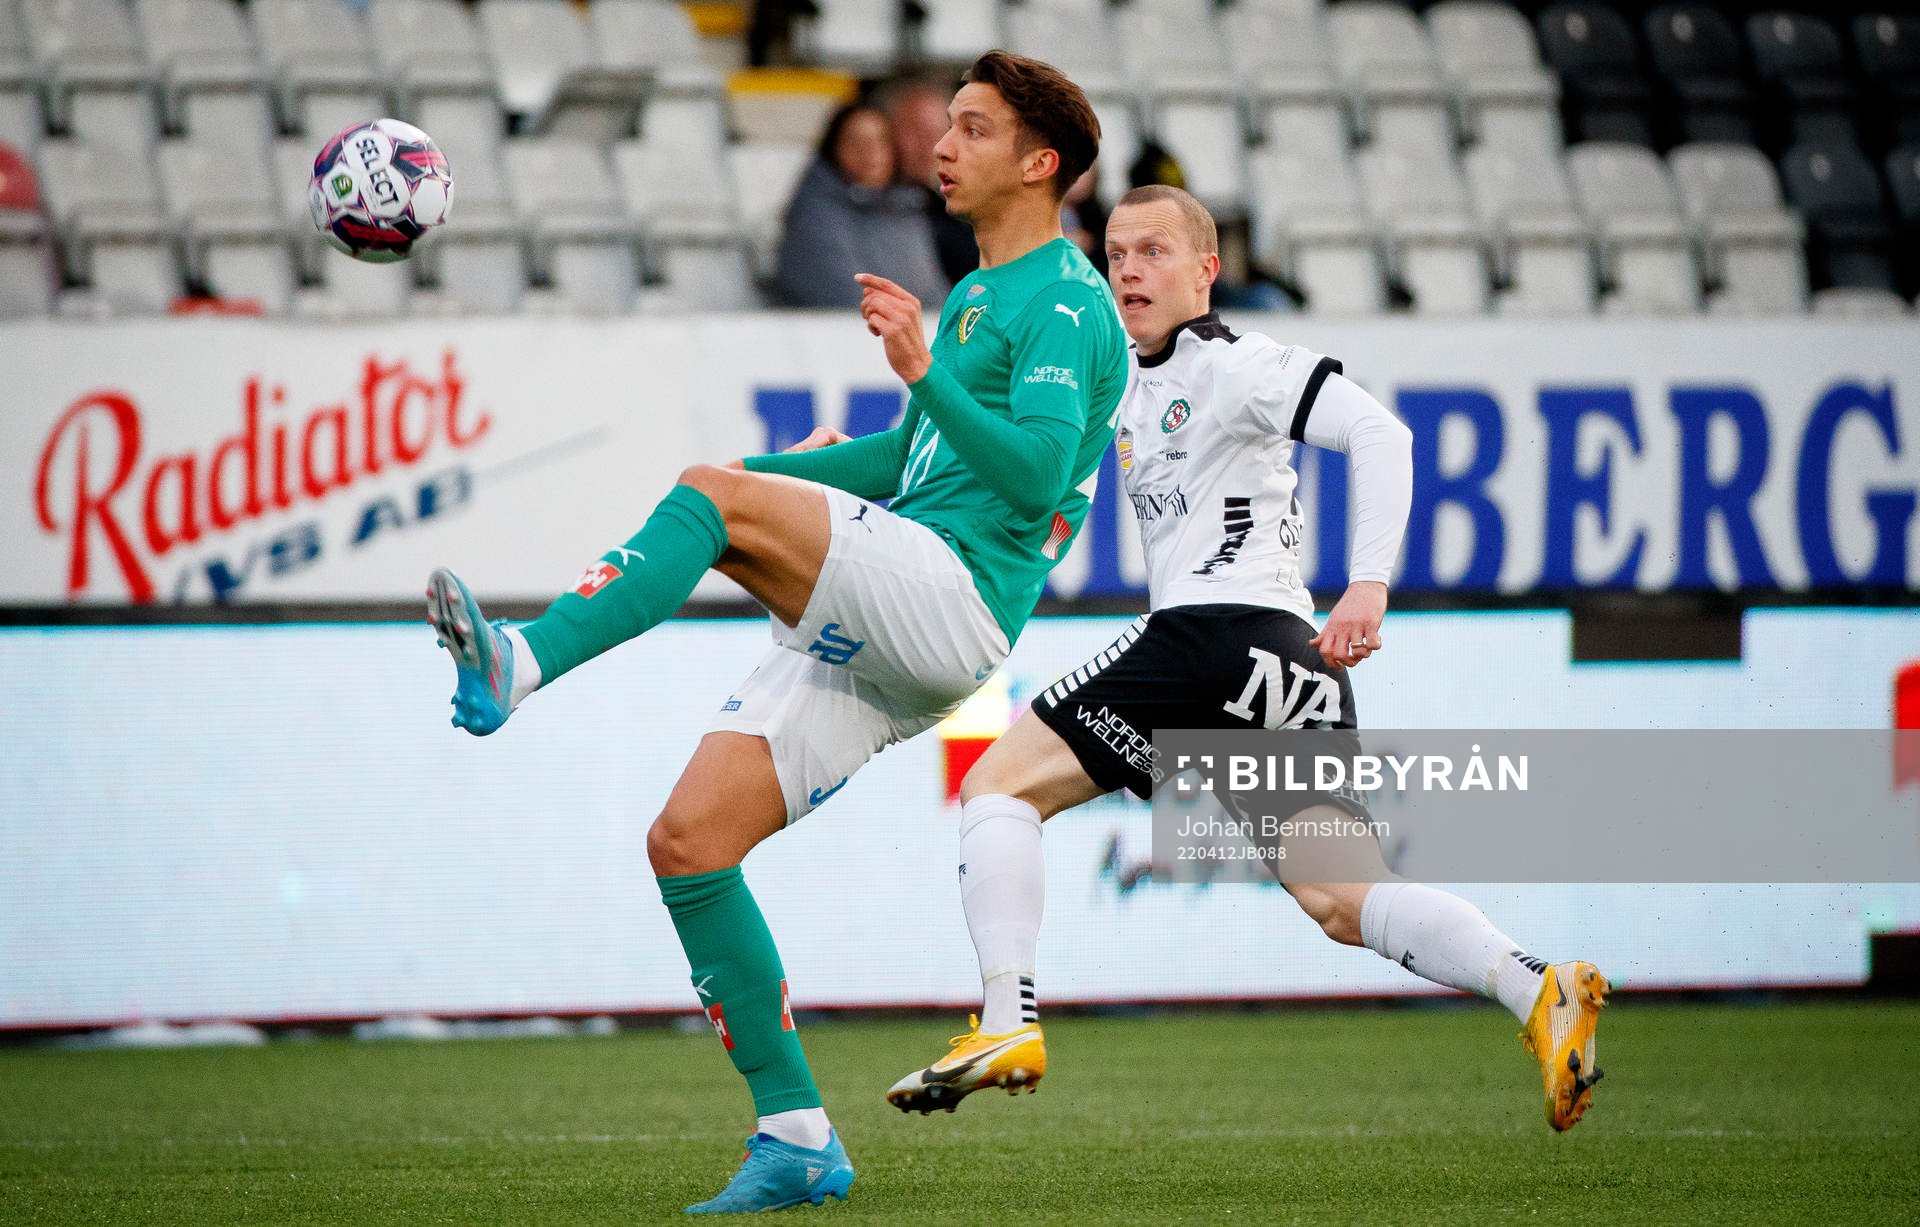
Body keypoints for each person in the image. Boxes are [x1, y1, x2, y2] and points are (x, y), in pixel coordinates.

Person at [424, 51, 1126, 1213]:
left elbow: (1036, 474)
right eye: (948, 123)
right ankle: (796, 1133)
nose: (942, 145)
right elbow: (907, 462)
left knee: (713, 498)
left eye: (973, 128)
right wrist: (766, 476)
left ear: (1039, 163)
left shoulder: (1063, 302)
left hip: (952, 594)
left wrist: (914, 375)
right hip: (905, 627)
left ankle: (523, 659)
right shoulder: (978, 294)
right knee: (689, 843)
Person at [887, 185, 1612, 1135]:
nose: (1129, 270)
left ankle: (1005, 1020)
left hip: (1208, 634)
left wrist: (1369, 583)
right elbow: (1010, 461)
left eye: (1154, 251)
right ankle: (1535, 984)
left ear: (1208, 269)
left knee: (998, 788)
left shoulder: (1236, 362)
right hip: (1286, 660)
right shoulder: (1121, 380)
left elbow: (1381, 432)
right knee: (1343, 899)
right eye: (1116, 254)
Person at [774, 102, 950, 308]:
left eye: (880, 140)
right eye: (855, 141)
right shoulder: (813, 219)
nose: (869, 152)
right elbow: (846, 300)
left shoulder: (908, 210)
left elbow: (934, 293)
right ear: (833, 149)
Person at [878, 78, 982, 286]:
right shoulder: (868, 210)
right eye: (915, 130)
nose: (930, 143)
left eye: (940, 131)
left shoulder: (964, 212)